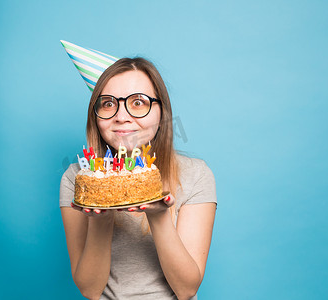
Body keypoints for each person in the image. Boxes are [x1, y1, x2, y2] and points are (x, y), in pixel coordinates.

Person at [60, 57, 217, 300]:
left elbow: (186, 289)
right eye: (108, 104)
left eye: (138, 102)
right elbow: (90, 290)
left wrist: (158, 214)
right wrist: (102, 215)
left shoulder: (196, 175)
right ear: (96, 115)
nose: (121, 116)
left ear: (161, 110)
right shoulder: (79, 179)